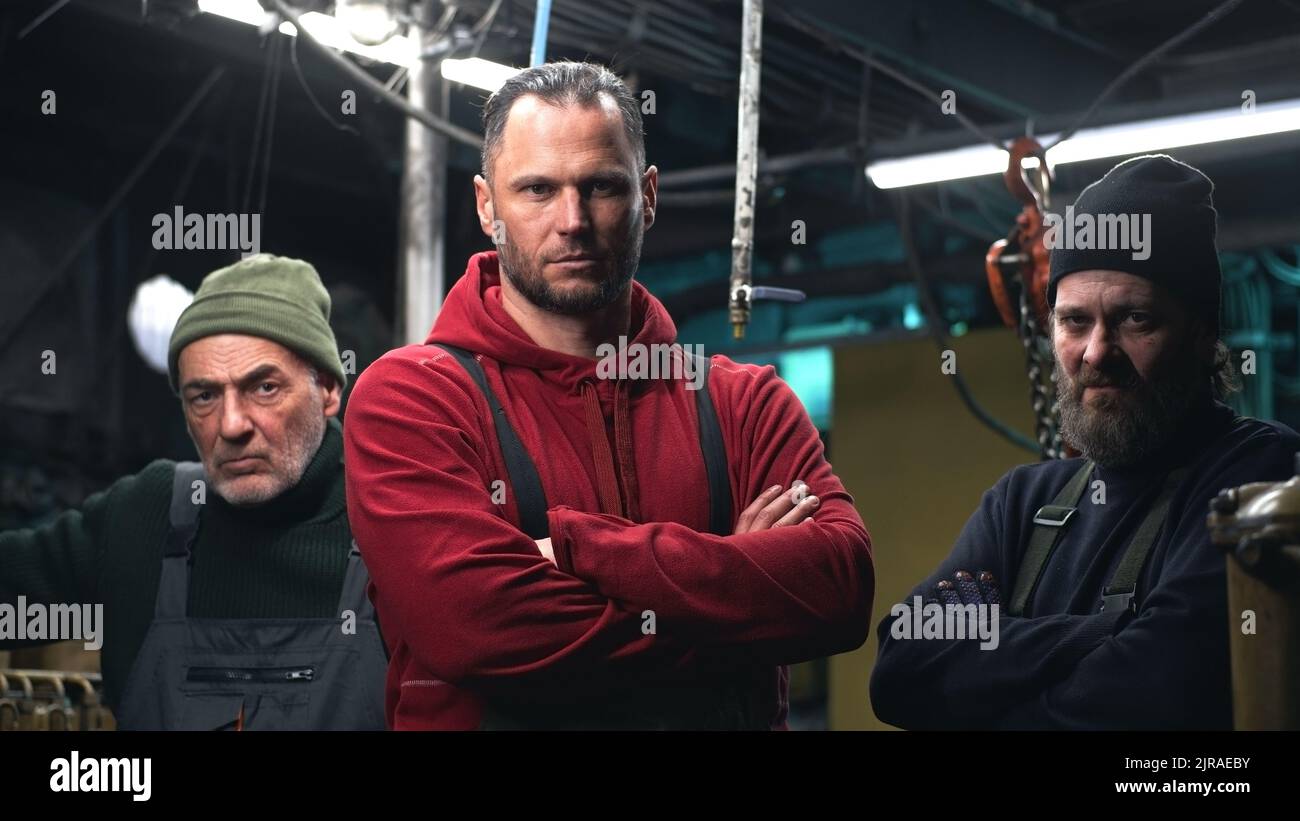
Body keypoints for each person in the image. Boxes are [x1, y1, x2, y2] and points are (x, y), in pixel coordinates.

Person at [343, 61, 875, 730]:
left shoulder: (745, 404)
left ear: (648, 195)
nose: (572, 220)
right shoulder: (412, 399)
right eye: (537, 189)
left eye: (601, 187)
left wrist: (574, 547)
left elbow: (839, 590)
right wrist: (741, 602)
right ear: (487, 206)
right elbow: (477, 626)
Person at [870, 154, 1300, 730]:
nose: (1097, 352)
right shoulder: (1021, 504)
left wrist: (996, 645)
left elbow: (1164, 687)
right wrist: (1108, 633)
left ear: (1202, 333)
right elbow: (900, 668)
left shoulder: (1261, 474)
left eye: (1135, 320)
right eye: (1074, 322)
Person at [0, 254, 387, 730]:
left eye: (263, 388)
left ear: (327, 389)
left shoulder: (392, 523)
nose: (231, 425)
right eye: (204, 396)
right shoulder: (149, 516)